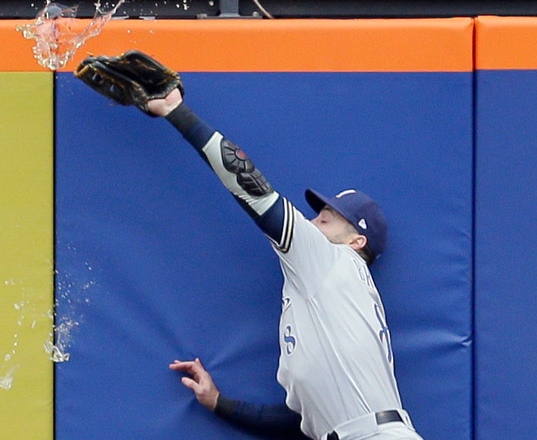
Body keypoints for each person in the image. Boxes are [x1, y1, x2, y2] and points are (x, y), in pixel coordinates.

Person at [134, 84, 423, 439]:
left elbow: (251, 187)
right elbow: (301, 420)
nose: (313, 221)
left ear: (356, 241)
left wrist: (176, 111)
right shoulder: (325, 297)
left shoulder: (332, 260)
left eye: (328, 218)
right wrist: (218, 402)